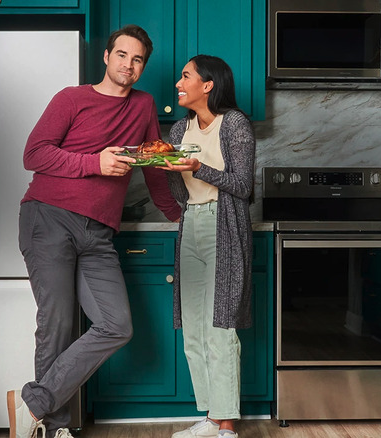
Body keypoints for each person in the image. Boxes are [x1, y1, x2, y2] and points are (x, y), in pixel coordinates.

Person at [7, 24, 182, 438]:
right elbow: (34, 154)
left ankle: (32, 403)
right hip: (48, 217)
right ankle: (56, 428)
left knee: (116, 325)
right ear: (106, 57)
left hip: (99, 232)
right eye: (122, 55)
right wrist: (94, 163)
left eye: (137, 59)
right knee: (58, 323)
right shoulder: (72, 98)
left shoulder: (143, 106)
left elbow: (152, 165)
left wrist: (175, 213)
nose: (129, 65)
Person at [161, 55, 256, 438]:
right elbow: (176, 188)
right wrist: (167, 167)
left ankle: (228, 425)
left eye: (185, 77)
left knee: (220, 328)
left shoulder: (233, 123)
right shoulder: (178, 129)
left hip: (226, 225)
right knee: (194, 331)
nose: (178, 84)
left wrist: (197, 167)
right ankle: (212, 417)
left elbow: (243, 185)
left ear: (208, 84)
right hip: (193, 224)